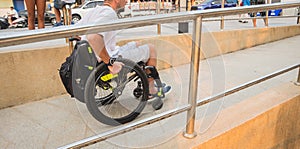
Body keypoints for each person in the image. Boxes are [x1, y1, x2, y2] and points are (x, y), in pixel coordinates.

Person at [75, 0, 171, 99]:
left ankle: (147, 80)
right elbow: (93, 37)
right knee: (151, 49)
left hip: (101, 56)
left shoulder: (94, 11)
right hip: (110, 58)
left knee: (138, 43)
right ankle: (151, 90)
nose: (126, 1)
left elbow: (76, 33)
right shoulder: (109, 13)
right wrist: (109, 62)